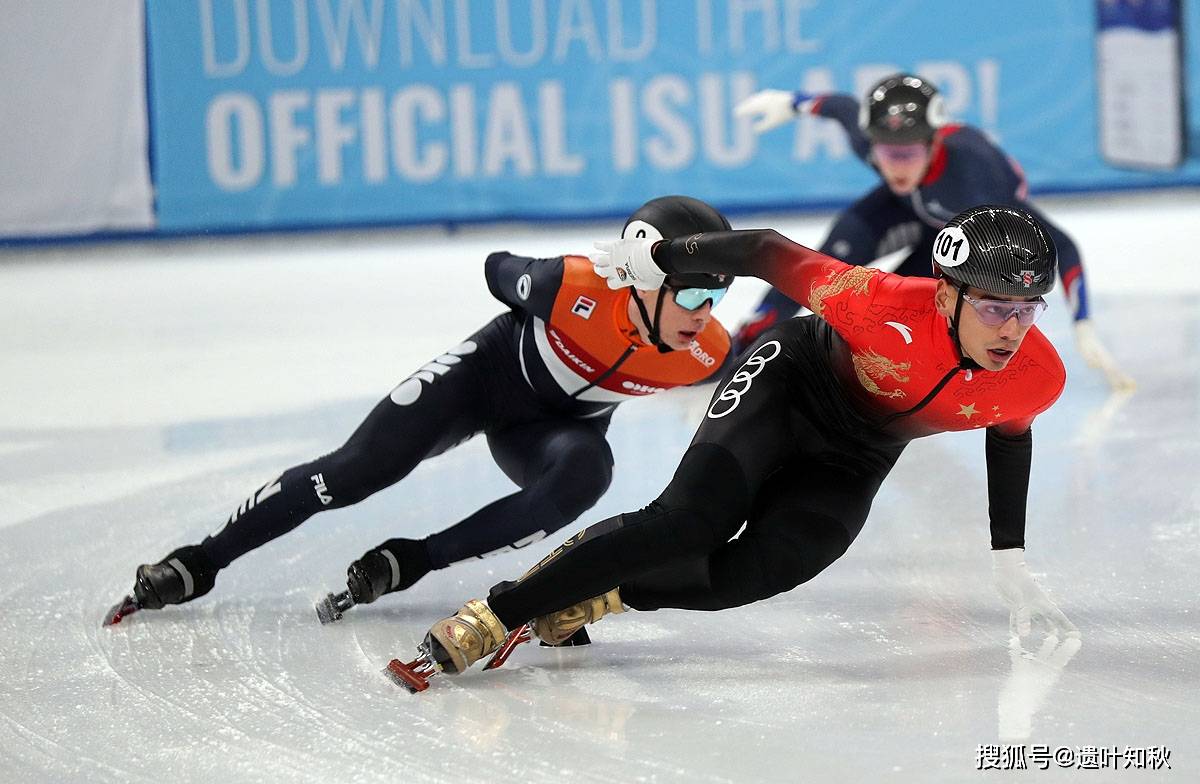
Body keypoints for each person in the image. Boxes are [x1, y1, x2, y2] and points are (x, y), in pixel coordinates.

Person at [400, 204, 1079, 683]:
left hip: (859, 452)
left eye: (1028, 310)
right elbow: (763, 251)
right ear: (946, 295)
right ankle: (497, 611)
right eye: (995, 308)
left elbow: (1010, 437)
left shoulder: (1037, 375)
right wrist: (657, 258)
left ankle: (599, 595)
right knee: (692, 520)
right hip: (792, 382)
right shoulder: (876, 300)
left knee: (765, 569)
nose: (1012, 329)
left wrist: (1009, 560)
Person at [105, 196, 734, 625]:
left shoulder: (705, 352)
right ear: (643, 279)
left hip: (553, 433)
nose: (705, 312)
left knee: (586, 477)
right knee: (355, 471)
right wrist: (556, 278)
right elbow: (496, 269)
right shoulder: (572, 286)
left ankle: (410, 559)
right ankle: (201, 561)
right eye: (696, 292)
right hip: (481, 379)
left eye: (719, 292)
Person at [732, 73, 1134, 392]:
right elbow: (841, 107)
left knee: (896, 301)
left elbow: (1060, 244)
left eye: (908, 153)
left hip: (966, 230)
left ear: (934, 142)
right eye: (887, 153)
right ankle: (741, 346)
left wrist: (1082, 321)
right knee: (819, 265)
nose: (896, 165)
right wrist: (791, 103)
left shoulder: (976, 181)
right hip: (905, 207)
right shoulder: (877, 146)